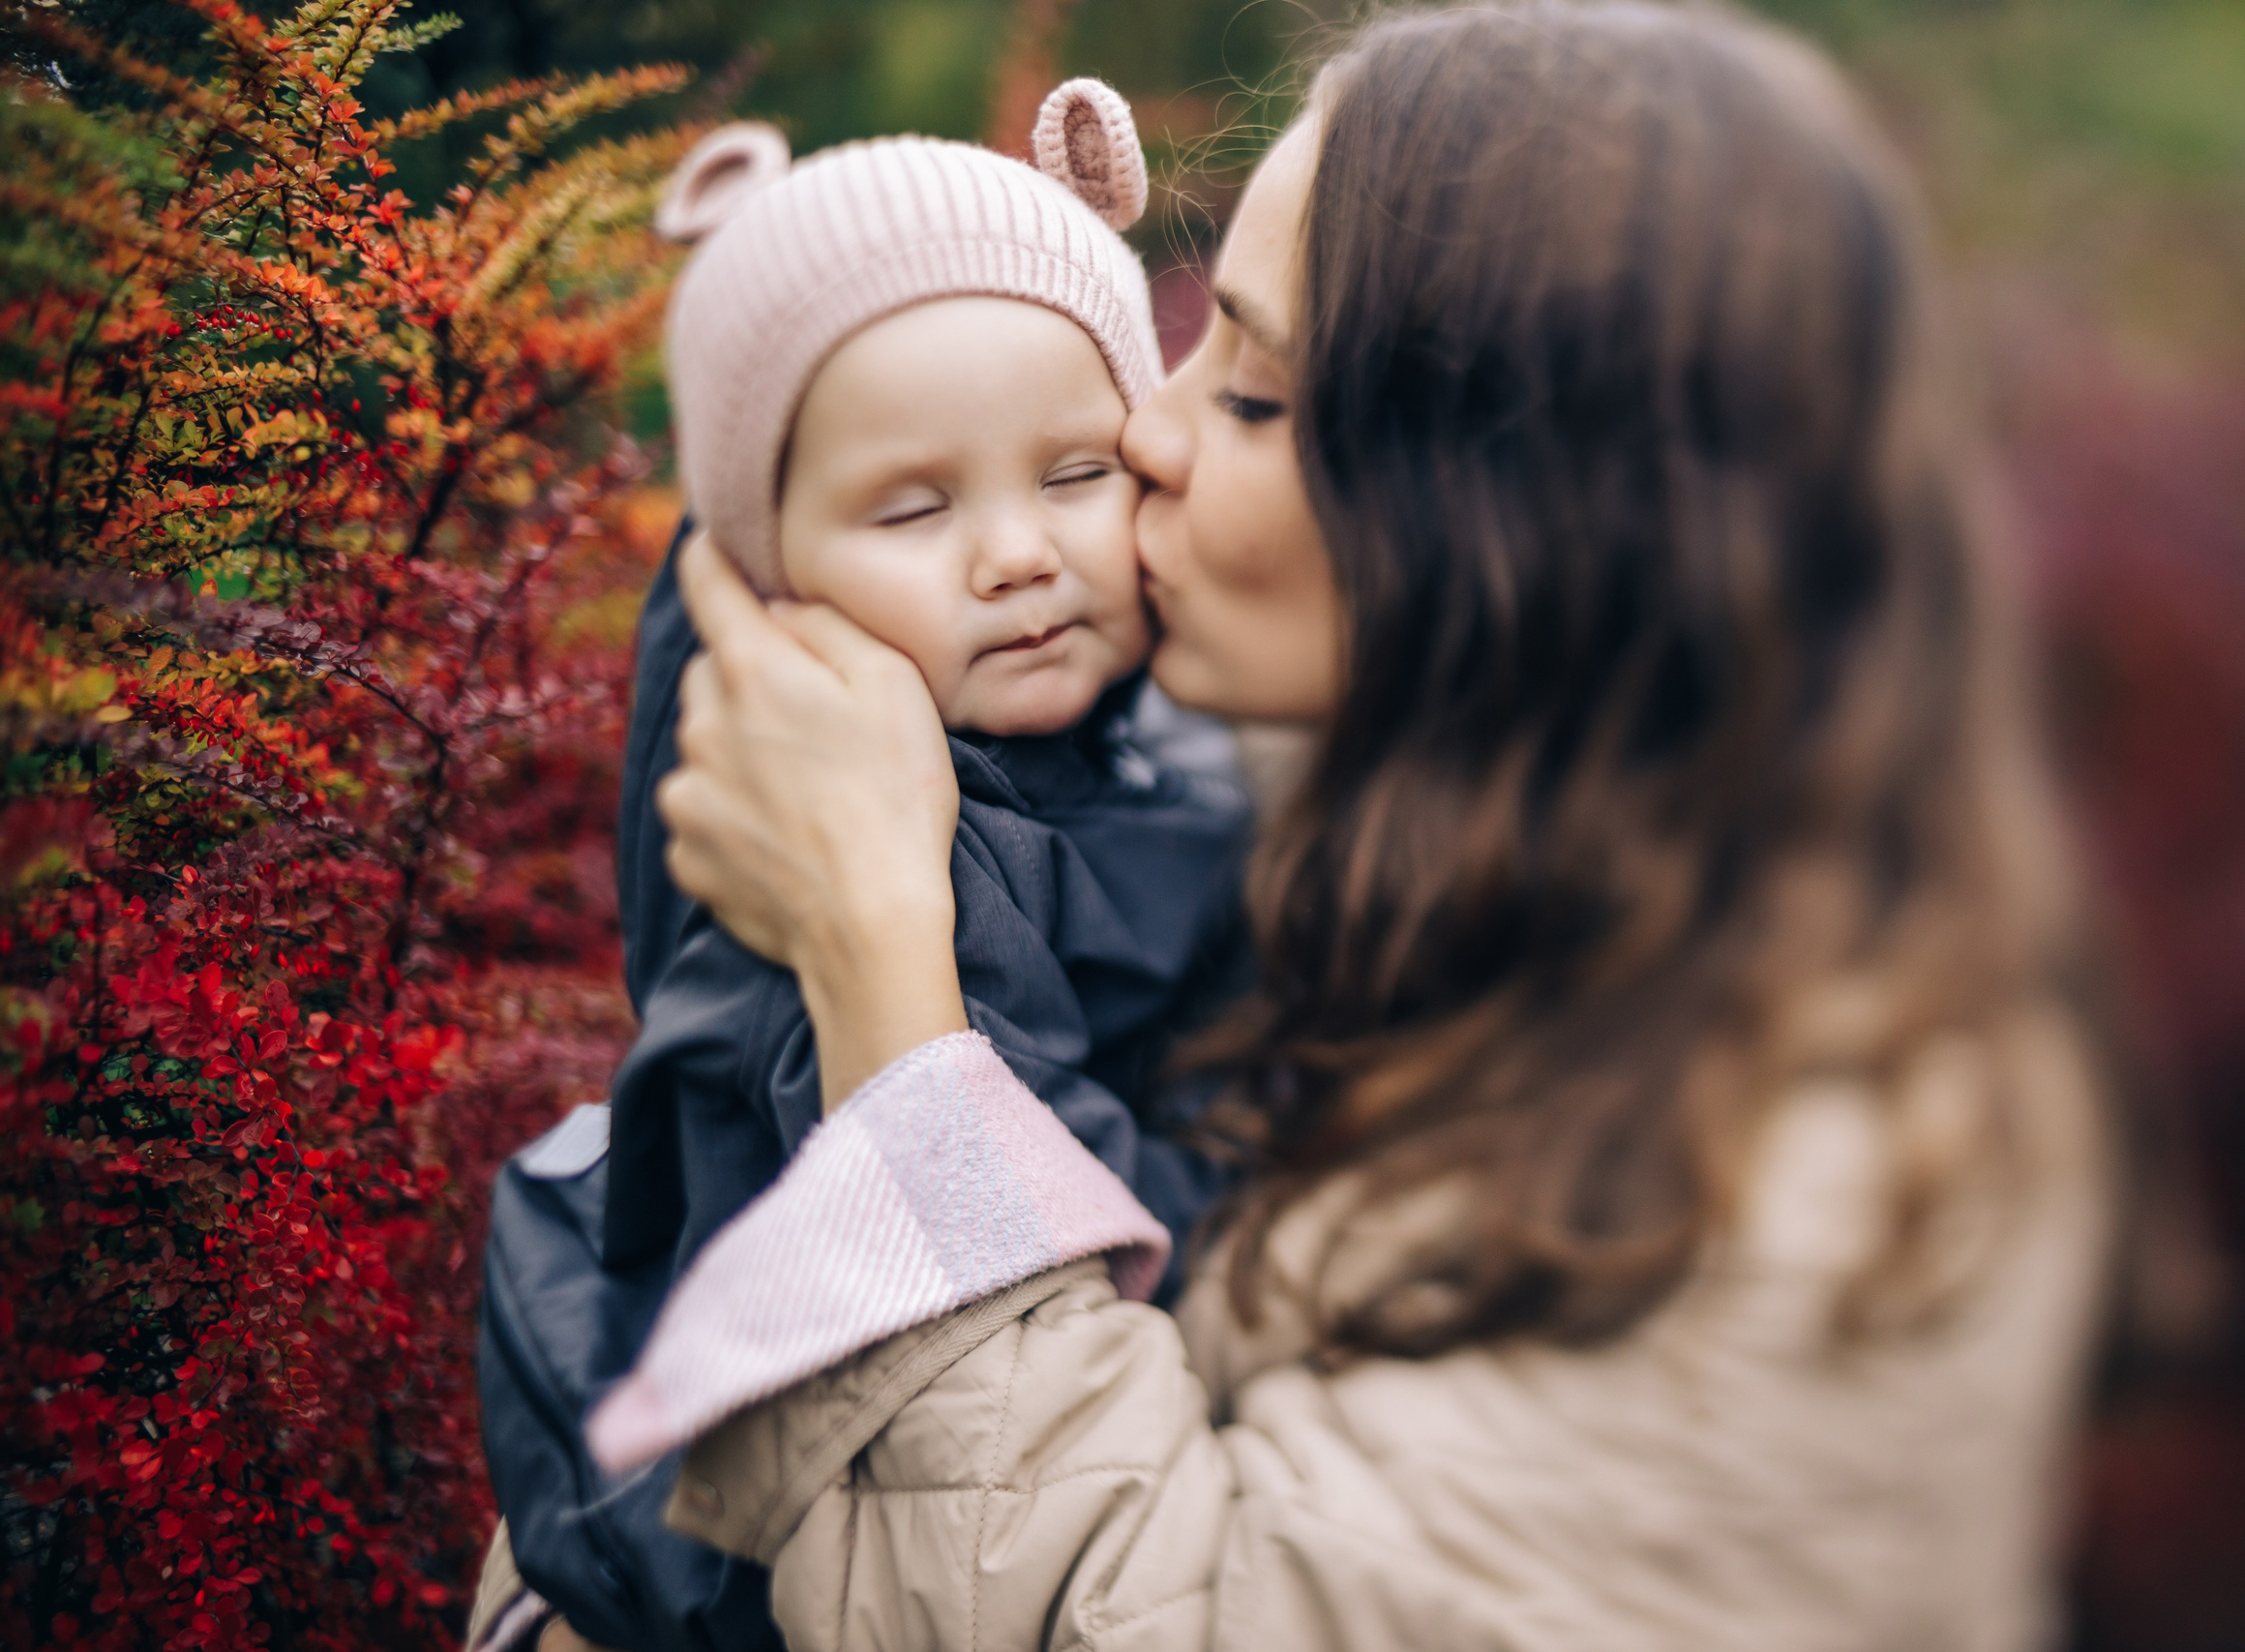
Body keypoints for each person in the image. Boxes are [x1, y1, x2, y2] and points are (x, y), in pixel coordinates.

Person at [593, 4, 2114, 1647]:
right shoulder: (1419, 869)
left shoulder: (1813, 1211)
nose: (1145, 434)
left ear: (1525, 524)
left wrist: (884, 978)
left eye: (1250, 395)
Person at [468, 82, 1255, 1652]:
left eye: (1077, 474)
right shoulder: (889, 848)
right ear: (769, 577)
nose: (1017, 553)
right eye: (912, 505)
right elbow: (1057, 1192)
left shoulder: (1137, 729)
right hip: (815, 1517)